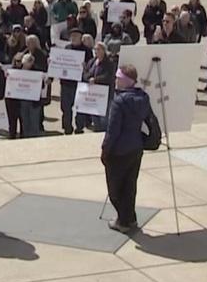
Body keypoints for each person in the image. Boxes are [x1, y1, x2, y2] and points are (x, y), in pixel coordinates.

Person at [101, 64, 153, 233]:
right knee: (130, 186)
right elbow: (151, 120)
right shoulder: (143, 97)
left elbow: (112, 130)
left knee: (115, 189)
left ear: (124, 81)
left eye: (118, 78)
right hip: (136, 147)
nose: (115, 80)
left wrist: (105, 150)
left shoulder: (119, 102)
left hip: (119, 151)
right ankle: (130, 219)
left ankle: (123, 221)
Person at [59, 29, 92, 135]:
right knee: (66, 108)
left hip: (79, 83)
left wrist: (85, 66)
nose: (73, 37)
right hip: (66, 83)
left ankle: (79, 127)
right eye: (72, 36)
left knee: (80, 107)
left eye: (76, 36)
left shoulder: (87, 50)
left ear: (81, 37)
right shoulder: (66, 48)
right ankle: (67, 128)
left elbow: (90, 66)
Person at [78, 43, 115, 133]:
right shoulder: (92, 61)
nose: (96, 51)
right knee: (94, 116)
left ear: (103, 50)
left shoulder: (109, 62)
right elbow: (86, 73)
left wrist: (96, 80)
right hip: (93, 94)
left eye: (98, 49)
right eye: (95, 49)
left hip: (104, 94)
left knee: (104, 118)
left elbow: (109, 76)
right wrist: (88, 78)